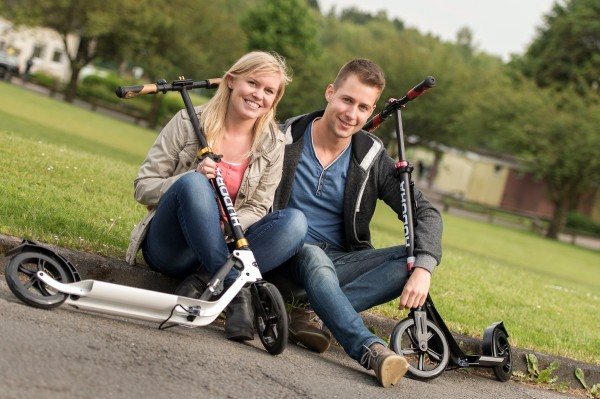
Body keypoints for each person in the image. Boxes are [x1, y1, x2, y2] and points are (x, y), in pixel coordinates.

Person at [272, 59, 443, 387]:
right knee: (313, 256)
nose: (352, 114)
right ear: (330, 93)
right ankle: (370, 350)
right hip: (286, 257)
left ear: (372, 111)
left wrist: (423, 268)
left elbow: (426, 213)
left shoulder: (372, 157)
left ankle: (312, 314)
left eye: (363, 107)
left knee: (412, 258)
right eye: (347, 100)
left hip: (340, 263)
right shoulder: (283, 139)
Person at [126, 51, 307, 342]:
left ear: (275, 99)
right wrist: (190, 176)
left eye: (269, 90)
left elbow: (259, 206)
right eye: (253, 83)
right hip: (174, 248)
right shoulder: (187, 121)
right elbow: (143, 186)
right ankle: (237, 295)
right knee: (195, 185)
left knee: (295, 223)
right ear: (232, 81)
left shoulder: (274, 142)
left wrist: (224, 226)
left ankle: (205, 279)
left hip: (226, 241)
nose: (258, 95)